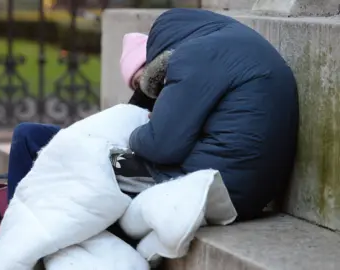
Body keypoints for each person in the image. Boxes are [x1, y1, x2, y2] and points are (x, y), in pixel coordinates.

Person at [0, 33, 152, 270]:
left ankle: (1, 244)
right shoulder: (166, 88)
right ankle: (13, 231)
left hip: (131, 183)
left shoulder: (184, 92)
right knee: (27, 135)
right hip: (117, 159)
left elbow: (161, 145)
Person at [128, 8, 298, 221]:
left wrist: (132, 134)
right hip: (254, 192)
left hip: (216, 186)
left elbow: (161, 145)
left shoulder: (193, 55)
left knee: (105, 163)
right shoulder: (236, 43)